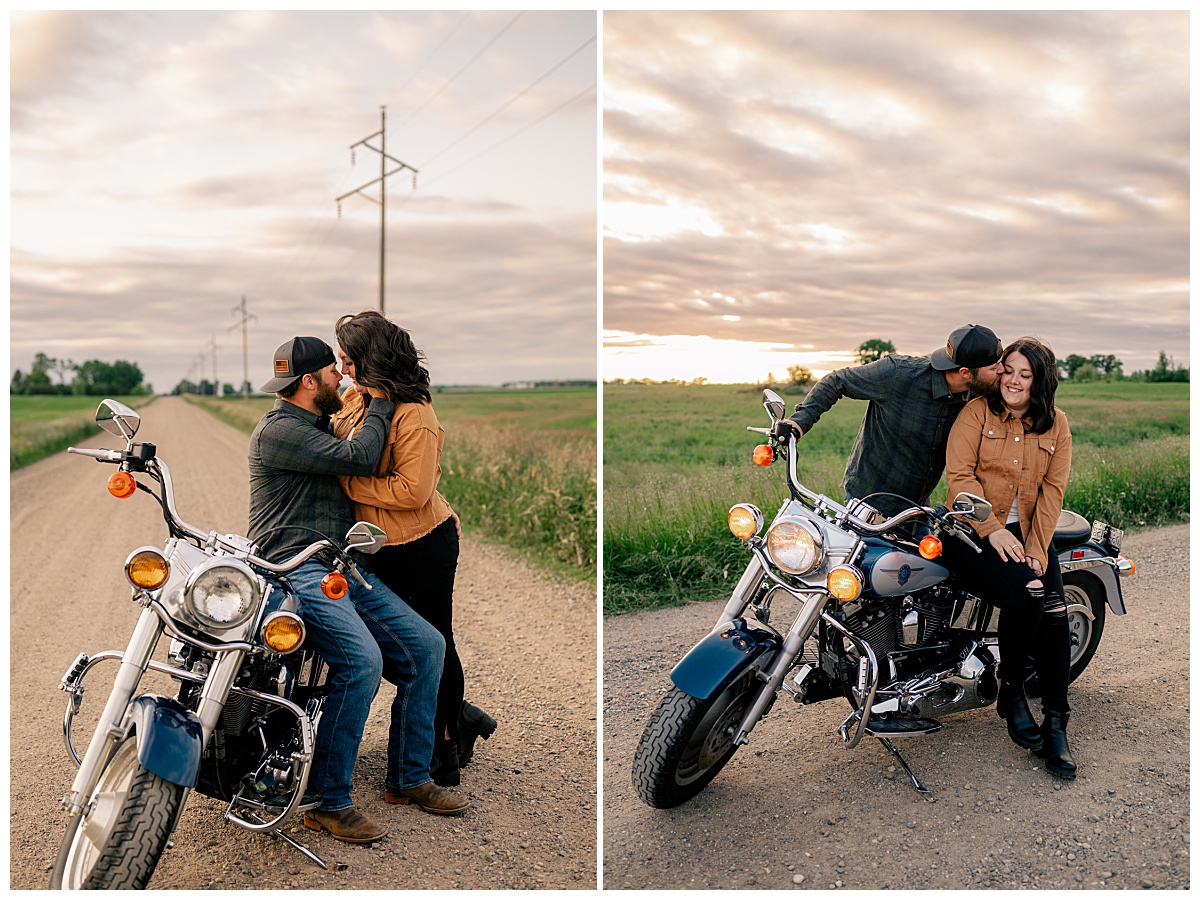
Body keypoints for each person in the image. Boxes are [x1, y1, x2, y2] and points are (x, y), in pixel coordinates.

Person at [247, 336, 469, 844]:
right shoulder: (280, 432)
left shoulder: (318, 421)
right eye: (333, 371)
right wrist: (385, 396)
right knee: (363, 662)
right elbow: (366, 456)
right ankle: (329, 800)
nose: (342, 378)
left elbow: (410, 472)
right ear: (309, 382)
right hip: (294, 568)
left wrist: (439, 504)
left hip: (340, 566)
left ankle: (409, 778)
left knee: (427, 646)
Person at [330, 310, 497, 789]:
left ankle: (444, 741)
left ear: (373, 360)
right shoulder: (353, 398)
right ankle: (458, 715)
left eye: (349, 360)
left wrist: (344, 481)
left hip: (419, 546)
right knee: (390, 646)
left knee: (434, 644)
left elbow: (412, 493)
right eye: (339, 360)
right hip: (372, 547)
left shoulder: (416, 415)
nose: (343, 370)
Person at [942, 336, 1075, 779]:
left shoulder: (1056, 424)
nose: (1014, 381)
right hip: (970, 529)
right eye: (1009, 370)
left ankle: (1058, 724)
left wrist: (1038, 550)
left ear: (1039, 380)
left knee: (1055, 610)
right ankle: (1011, 691)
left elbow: (1053, 493)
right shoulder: (975, 414)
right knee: (1029, 592)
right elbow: (959, 478)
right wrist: (992, 529)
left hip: (1029, 532)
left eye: (1026, 374)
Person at [776, 324, 1005, 513]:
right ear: (965, 372)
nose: (1002, 370)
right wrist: (799, 422)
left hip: (917, 510)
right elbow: (838, 381)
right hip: (868, 503)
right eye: (995, 367)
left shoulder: (980, 394)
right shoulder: (898, 374)